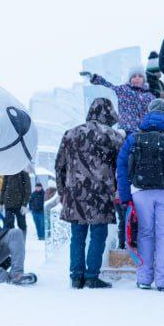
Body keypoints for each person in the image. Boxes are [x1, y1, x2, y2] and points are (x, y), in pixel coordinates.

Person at [56, 97, 123, 289]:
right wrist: (119, 190)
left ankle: (76, 276)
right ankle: (92, 275)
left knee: (77, 236)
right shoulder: (113, 136)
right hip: (100, 194)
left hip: (74, 194)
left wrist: (62, 192)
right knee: (98, 234)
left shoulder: (70, 134)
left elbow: (60, 165)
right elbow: (122, 166)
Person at [117, 97, 164, 291]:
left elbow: (122, 166)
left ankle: (144, 278)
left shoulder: (134, 137)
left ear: (148, 112)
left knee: (145, 234)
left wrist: (125, 196)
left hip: (141, 191)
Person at [82, 67, 155, 132]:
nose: (137, 78)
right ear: (130, 79)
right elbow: (108, 86)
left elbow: (154, 112)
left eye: (140, 76)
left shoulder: (149, 96)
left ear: (144, 79)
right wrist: (94, 78)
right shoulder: (123, 90)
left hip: (143, 132)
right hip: (126, 130)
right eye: (134, 76)